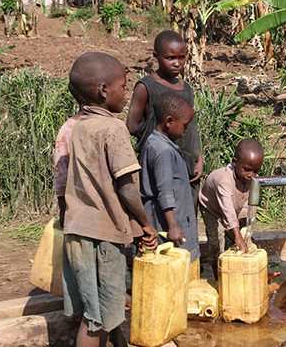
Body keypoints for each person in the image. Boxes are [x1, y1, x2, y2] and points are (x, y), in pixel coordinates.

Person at [62, 52, 158, 347]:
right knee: (96, 320)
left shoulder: (80, 126)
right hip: (102, 237)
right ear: (104, 90)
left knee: (102, 309)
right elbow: (127, 187)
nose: (127, 93)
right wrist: (145, 224)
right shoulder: (113, 128)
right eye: (124, 86)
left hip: (78, 230)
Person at [127, 30, 204, 215]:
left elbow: (191, 127)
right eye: (170, 58)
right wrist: (156, 143)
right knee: (160, 208)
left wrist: (198, 157)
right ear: (156, 56)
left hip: (187, 162)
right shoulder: (146, 87)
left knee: (186, 211)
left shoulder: (187, 89)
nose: (177, 63)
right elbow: (132, 125)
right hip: (160, 161)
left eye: (181, 57)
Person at [138, 92, 201, 278]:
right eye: (185, 125)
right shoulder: (163, 150)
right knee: (169, 269)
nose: (186, 130)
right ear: (169, 121)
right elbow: (164, 191)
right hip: (166, 221)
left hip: (175, 217)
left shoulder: (159, 144)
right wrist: (173, 225)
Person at [199, 138, 264, 278]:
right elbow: (227, 207)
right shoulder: (225, 180)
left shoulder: (250, 179)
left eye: (256, 171)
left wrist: (242, 227)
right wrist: (237, 235)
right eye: (247, 169)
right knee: (216, 241)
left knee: (233, 241)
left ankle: (233, 271)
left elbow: (247, 203)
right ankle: (217, 274)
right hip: (211, 209)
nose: (251, 174)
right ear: (235, 162)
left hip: (232, 208)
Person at [52, 83, 84, 227]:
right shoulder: (69, 130)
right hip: (79, 211)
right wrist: (64, 210)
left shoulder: (112, 126)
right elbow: (62, 176)